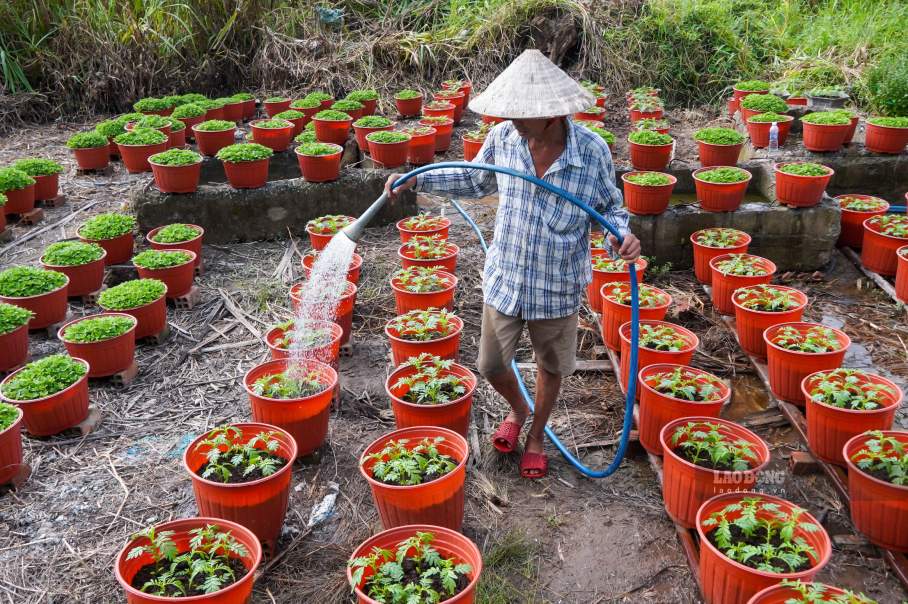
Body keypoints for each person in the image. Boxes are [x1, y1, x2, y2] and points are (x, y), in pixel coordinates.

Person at [384, 49, 641, 479]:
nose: (514, 121)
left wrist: (622, 238)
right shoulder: (505, 139)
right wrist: (418, 177)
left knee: (551, 366)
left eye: (524, 114)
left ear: (554, 115)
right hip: (507, 274)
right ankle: (518, 410)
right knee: (491, 364)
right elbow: (473, 178)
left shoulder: (592, 152)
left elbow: (611, 211)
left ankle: (537, 436)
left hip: (556, 282)